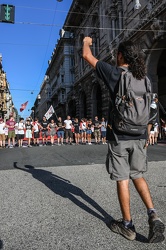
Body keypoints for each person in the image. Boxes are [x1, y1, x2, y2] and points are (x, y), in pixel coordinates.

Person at [83, 37, 165, 243]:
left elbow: (87, 56)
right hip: (139, 135)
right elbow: (152, 108)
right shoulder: (143, 78)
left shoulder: (114, 73)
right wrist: (147, 131)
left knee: (123, 179)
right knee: (138, 175)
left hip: (119, 136)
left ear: (120, 56)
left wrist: (86, 41)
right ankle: (153, 214)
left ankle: (127, 225)